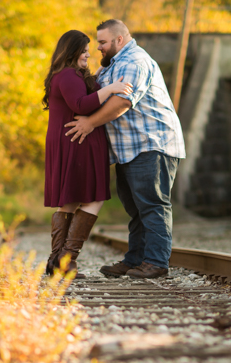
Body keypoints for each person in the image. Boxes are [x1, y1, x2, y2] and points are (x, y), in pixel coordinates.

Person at [64, 19, 185, 279]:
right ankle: (135, 260)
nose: (99, 48)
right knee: (135, 207)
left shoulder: (134, 62)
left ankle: (156, 262)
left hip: (152, 144)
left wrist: (89, 124)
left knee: (152, 205)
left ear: (120, 40)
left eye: (103, 42)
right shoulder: (112, 66)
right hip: (129, 149)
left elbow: (121, 103)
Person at [43, 30, 131, 275]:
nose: (87, 54)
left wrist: (99, 80)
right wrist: (111, 88)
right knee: (93, 198)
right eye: (83, 51)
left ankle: (58, 262)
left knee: (70, 199)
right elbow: (80, 105)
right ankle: (65, 260)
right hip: (77, 141)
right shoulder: (69, 75)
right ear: (71, 52)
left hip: (72, 140)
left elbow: (83, 99)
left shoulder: (65, 75)